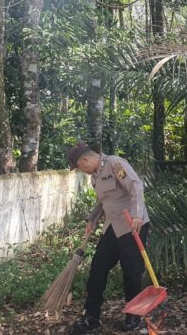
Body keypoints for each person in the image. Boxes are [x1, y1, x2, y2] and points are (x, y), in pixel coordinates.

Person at [67, 141, 150, 333]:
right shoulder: (95, 176)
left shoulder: (115, 164)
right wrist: (92, 219)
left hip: (133, 225)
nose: (82, 171)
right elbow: (103, 201)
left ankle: (133, 316)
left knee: (132, 272)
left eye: (80, 167)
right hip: (113, 226)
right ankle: (91, 316)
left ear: (85, 160)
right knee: (98, 267)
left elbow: (136, 186)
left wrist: (137, 214)